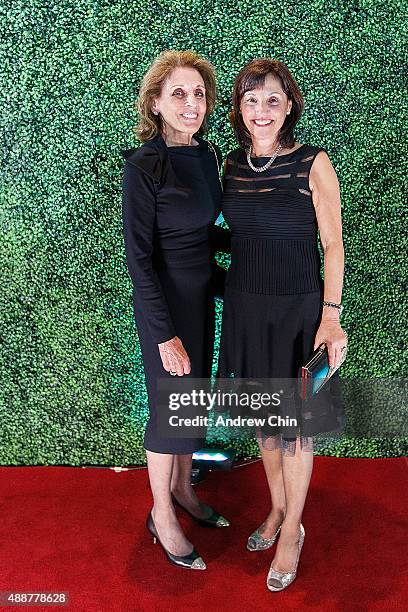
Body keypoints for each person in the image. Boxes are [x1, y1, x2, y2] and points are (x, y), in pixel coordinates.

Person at [217, 58, 347, 591]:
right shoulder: (228, 166)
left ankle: (292, 530)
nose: (262, 109)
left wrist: (331, 316)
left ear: (289, 105)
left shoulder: (313, 162)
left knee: (296, 434)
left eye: (273, 99)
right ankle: (275, 510)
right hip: (248, 310)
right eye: (251, 99)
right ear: (239, 109)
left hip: (299, 313)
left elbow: (334, 245)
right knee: (267, 428)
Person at [122, 50, 230, 571]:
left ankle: (185, 490)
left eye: (199, 93)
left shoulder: (207, 156)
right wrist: (164, 334)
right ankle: (161, 513)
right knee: (170, 410)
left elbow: (204, 232)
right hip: (164, 309)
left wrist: (260, 246)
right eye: (179, 94)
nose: (192, 103)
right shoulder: (144, 165)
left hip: (201, 298)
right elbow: (139, 260)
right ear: (157, 104)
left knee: (194, 402)